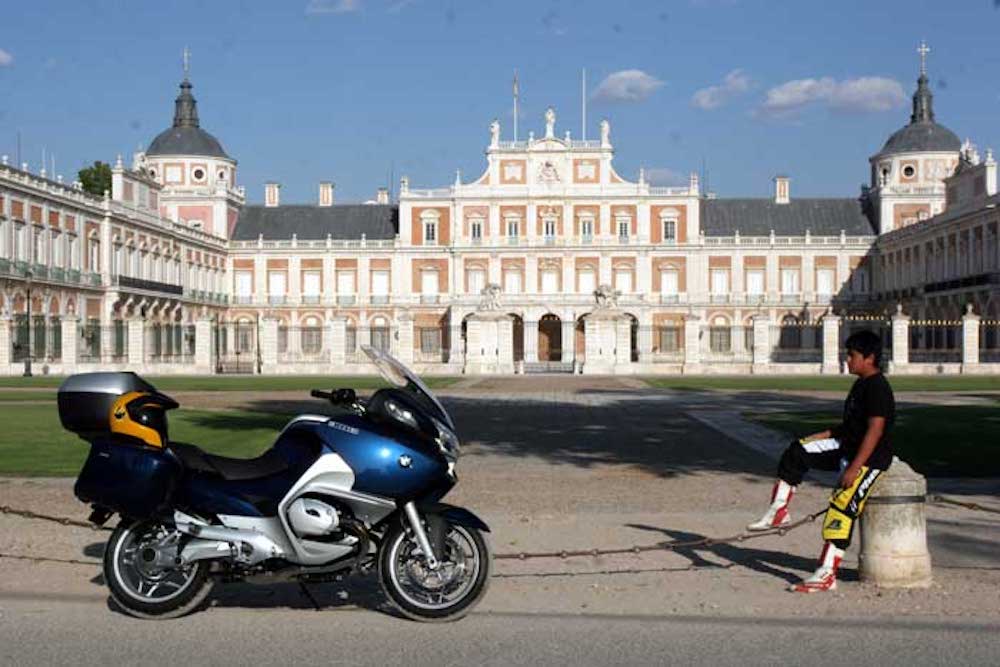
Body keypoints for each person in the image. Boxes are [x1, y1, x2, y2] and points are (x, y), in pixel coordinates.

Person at [747, 329, 895, 593]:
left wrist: (854, 467)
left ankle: (827, 573)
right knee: (799, 449)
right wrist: (825, 434)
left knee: (842, 506)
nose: (847, 360)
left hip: (869, 459)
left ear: (869, 357)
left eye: (852, 355)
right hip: (846, 446)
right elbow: (853, 425)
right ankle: (779, 510)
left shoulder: (878, 388)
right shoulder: (861, 383)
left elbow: (875, 430)